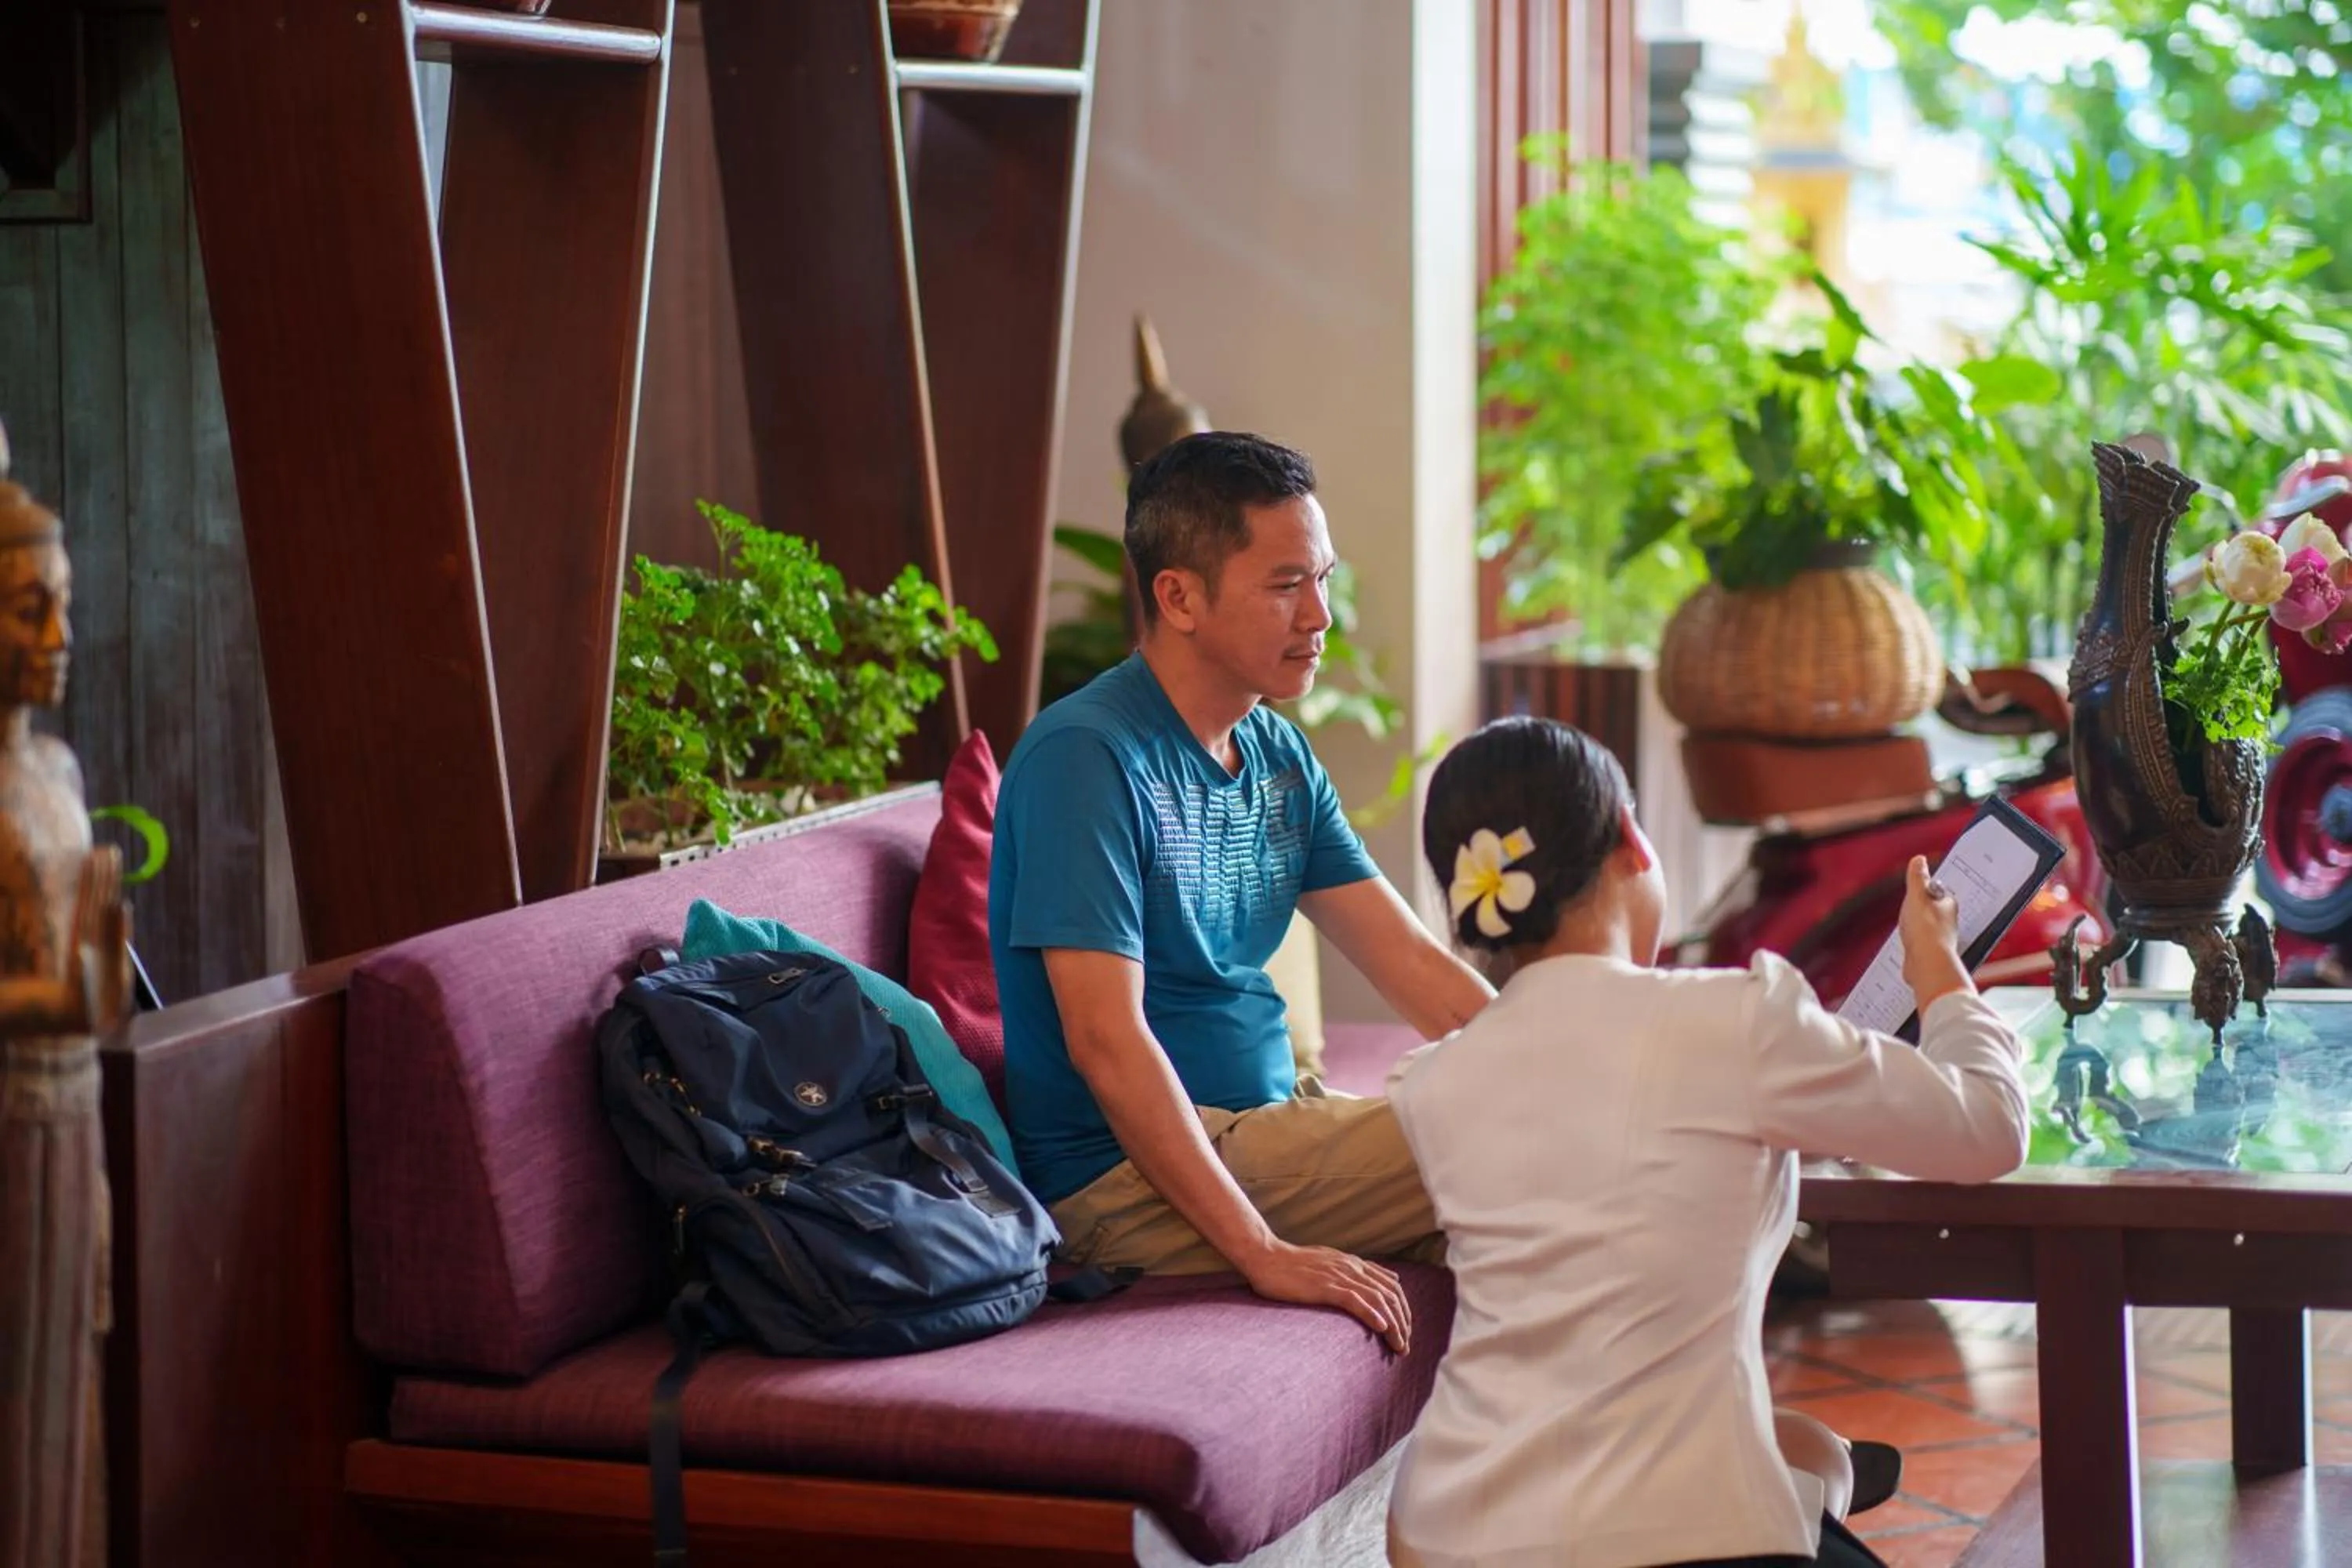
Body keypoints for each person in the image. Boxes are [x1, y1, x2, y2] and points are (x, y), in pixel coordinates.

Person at [1385, 717, 2030, 1568]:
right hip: (1670, 1539)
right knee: (1800, 1463)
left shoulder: (1432, 1082)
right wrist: (1939, 968)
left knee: (1805, 1445)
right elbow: (1988, 1125)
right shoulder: (1729, 1018)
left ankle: (1811, 1487)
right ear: (1629, 839)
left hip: (1453, 1527)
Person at [989, 431, 1494, 1351]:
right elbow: (1106, 1039)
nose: (1322, 616)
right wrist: (1262, 1251)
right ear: (1177, 596)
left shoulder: (1274, 753)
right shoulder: (1087, 758)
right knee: (1531, 1144)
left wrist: (1575, 1053)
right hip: (1124, 1181)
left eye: (1324, 578)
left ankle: (1729, 1463)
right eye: (1285, 584)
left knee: (1569, 1228)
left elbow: (1412, 962)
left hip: (1272, 1126)